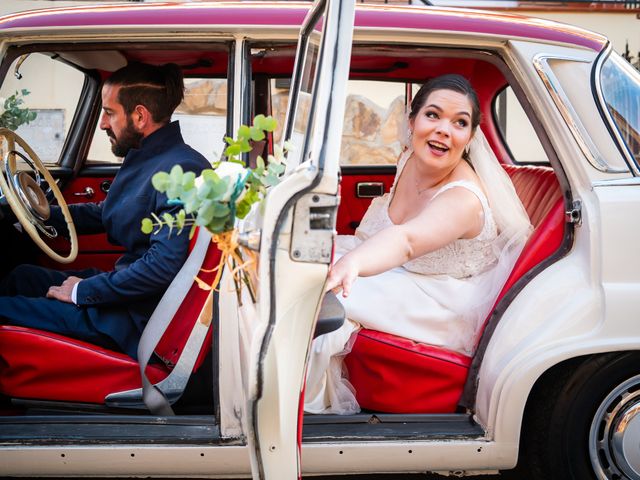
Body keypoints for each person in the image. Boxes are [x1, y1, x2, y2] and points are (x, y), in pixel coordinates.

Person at [304, 74, 532, 415]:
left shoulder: (462, 199)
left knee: (314, 296)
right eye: (433, 115)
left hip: (441, 302)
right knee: (302, 265)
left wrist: (352, 265)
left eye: (460, 123)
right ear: (412, 122)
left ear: (469, 138)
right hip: (404, 275)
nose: (443, 129)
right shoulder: (409, 159)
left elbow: (407, 240)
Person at [0, 62, 210, 360]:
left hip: (135, 319)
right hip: (128, 298)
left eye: (109, 113)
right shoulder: (152, 157)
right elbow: (109, 210)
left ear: (140, 116)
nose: (102, 124)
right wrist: (38, 212)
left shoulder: (182, 170)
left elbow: (161, 266)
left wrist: (81, 292)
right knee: (21, 277)